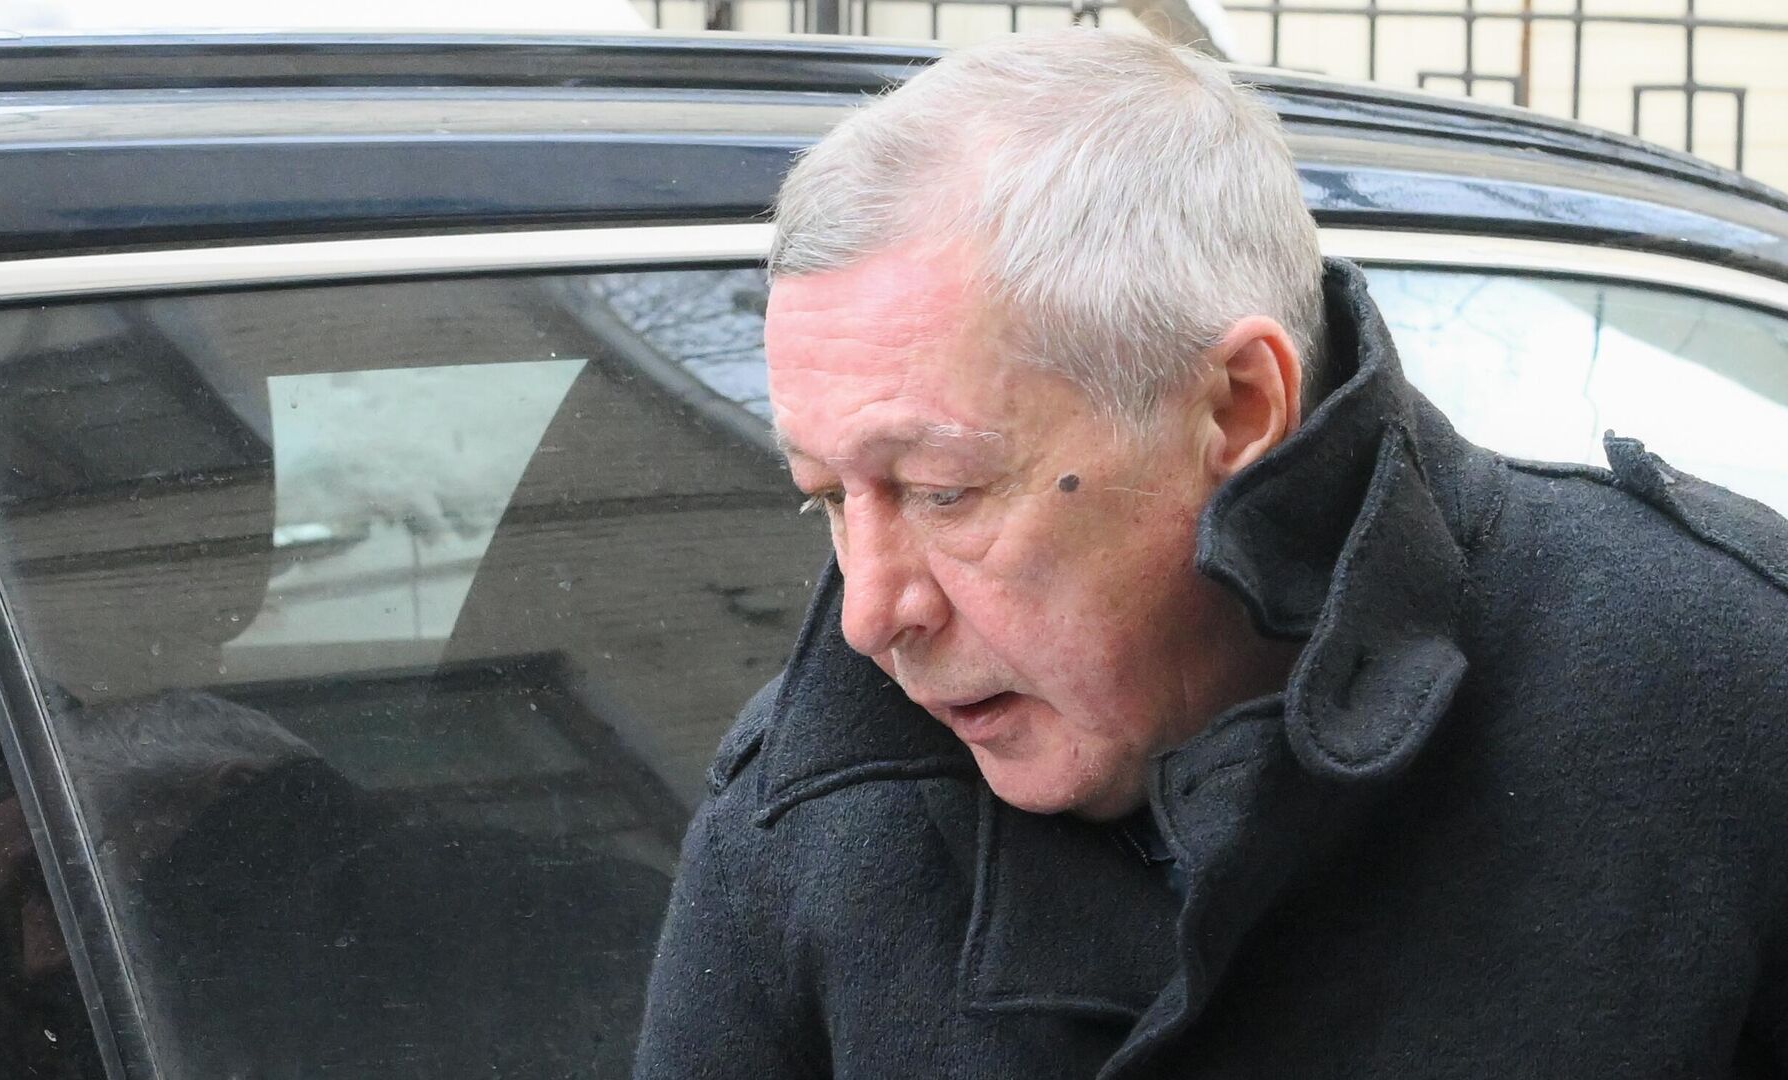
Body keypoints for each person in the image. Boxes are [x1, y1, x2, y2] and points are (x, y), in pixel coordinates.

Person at [633, 26, 1788, 1079]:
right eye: (827, 499)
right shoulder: (801, 813)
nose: (870, 615)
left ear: (1237, 407)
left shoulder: (1721, 686)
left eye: (945, 492)